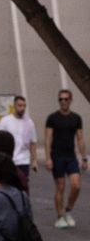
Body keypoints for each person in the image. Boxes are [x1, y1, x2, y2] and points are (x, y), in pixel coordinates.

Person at [45, 88, 83, 228]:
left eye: (66, 99)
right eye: (61, 99)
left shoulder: (76, 118)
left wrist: (84, 158)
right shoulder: (52, 118)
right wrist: (48, 158)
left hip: (71, 156)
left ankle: (67, 210)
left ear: (70, 100)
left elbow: (80, 138)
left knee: (76, 185)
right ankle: (60, 216)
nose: (63, 102)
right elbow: (48, 138)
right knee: (60, 187)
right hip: (57, 156)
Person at [0, 95, 38, 184]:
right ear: (14, 106)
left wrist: (34, 160)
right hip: (9, 160)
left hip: (23, 160)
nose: (22, 108)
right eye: (20, 105)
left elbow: (32, 142)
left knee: (23, 184)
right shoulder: (5, 121)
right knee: (9, 184)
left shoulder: (29, 122)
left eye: (24, 106)